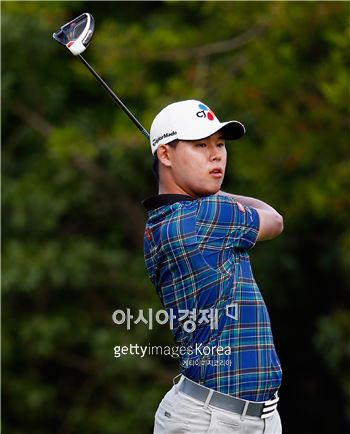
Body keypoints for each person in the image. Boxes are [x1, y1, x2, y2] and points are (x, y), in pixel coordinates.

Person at [142, 100, 283, 434]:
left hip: (254, 417)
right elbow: (275, 219)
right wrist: (219, 194)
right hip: (210, 422)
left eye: (219, 144)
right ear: (165, 155)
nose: (216, 154)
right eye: (200, 145)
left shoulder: (162, 222)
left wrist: (208, 190)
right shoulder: (206, 216)